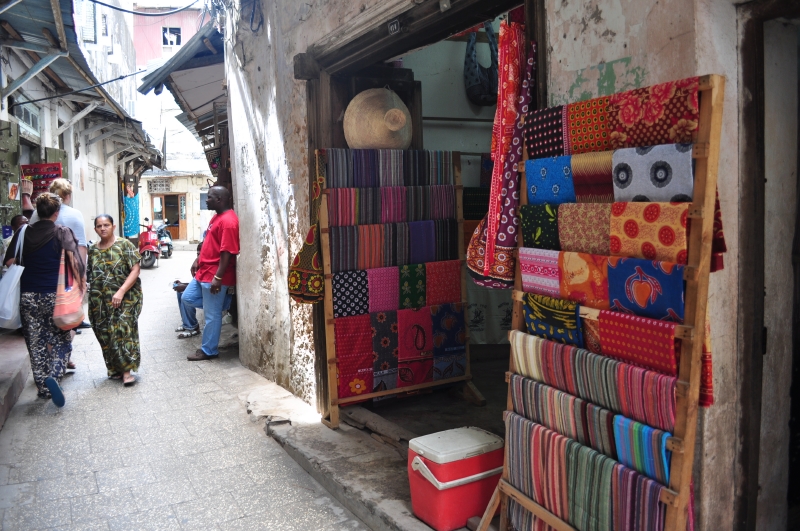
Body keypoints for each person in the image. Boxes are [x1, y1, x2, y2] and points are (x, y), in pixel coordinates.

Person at [3, 194, 85, 407]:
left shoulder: (22, 232)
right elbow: (75, 263)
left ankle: (42, 387)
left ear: (38, 212)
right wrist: (81, 285)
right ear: (57, 212)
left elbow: (10, 261)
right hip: (55, 296)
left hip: (28, 296)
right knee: (62, 339)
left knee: (35, 342)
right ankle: (55, 376)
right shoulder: (62, 232)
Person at [182, 186, 239, 361]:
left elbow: (227, 252)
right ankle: (222, 304)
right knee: (187, 298)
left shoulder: (229, 222)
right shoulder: (217, 217)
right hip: (204, 271)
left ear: (219, 200)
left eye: (209, 197)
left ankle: (209, 350)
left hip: (214, 274)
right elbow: (209, 241)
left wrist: (218, 277)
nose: (206, 200)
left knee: (211, 316)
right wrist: (198, 259)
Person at [29, 178, 91, 332]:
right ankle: (71, 321)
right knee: (68, 295)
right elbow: (81, 246)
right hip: (68, 265)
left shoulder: (37, 214)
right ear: (68, 195)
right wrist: (82, 273)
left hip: (41, 266)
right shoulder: (74, 214)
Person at [87, 214, 142, 386]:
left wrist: (121, 291)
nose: (103, 228)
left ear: (113, 226)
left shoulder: (124, 245)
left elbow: (135, 270)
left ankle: (127, 371)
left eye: (106, 225)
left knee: (123, 331)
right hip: (100, 300)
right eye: (99, 226)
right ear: (95, 229)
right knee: (104, 332)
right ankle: (115, 368)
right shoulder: (93, 249)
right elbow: (91, 274)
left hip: (125, 297)